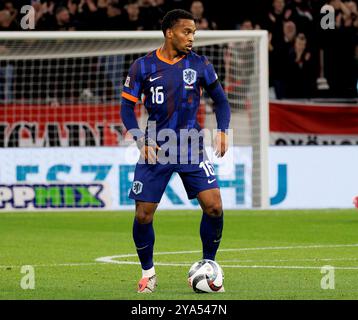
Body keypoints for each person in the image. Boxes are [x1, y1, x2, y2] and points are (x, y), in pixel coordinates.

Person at [120, 9, 230, 293]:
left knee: (214, 205)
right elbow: (126, 109)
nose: (191, 37)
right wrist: (138, 140)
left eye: (194, 32)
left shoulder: (201, 64)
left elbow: (221, 101)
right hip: (156, 147)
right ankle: (148, 273)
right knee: (143, 214)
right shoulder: (142, 67)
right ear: (170, 33)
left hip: (192, 146)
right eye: (186, 32)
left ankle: (209, 264)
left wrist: (223, 130)